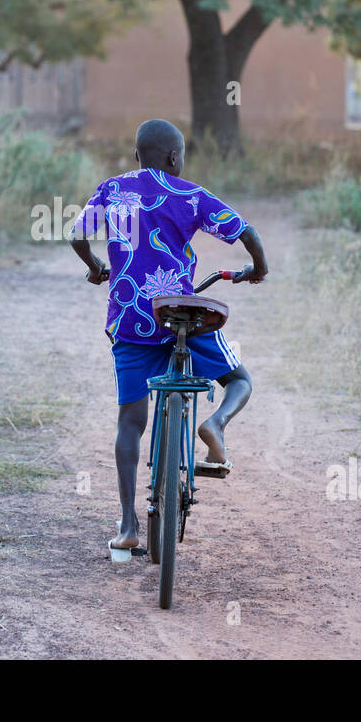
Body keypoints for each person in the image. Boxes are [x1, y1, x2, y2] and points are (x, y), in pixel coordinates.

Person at [70, 119, 268, 552]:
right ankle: (214, 423)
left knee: (130, 421)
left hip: (131, 320)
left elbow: (77, 236)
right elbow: (247, 233)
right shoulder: (190, 194)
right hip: (181, 313)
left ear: (137, 156)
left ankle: (128, 527)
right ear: (175, 158)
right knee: (240, 381)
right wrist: (259, 268)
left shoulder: (113, 189)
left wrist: (95, 268)